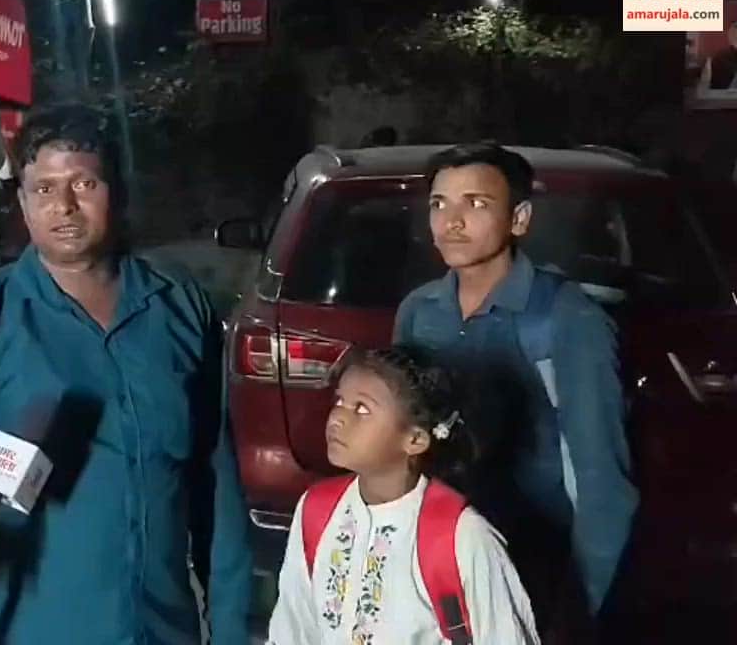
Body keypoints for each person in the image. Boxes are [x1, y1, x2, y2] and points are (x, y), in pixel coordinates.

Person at [0, 104, 252, 644]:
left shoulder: (179, 308)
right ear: (21, 201)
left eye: (83, 183)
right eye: (43, 189)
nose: (63, 206)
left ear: (116, 189)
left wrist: (232, 629)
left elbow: (217, 492)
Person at [393, 143, 637, 637]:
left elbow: (601, 484)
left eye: (475, 204)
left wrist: (579, 614)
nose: (451, 221)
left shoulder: (567, 319)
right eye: (439, 204)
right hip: (440, 559)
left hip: (535, 565)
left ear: (520, 218)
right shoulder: (419, 312)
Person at [267, 346, 538, 644]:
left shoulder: (461, 536)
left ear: (415, 439)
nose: (337, 418)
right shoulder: (316, 511)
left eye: (362, 409)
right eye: (340, 401)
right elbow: (293, 626)